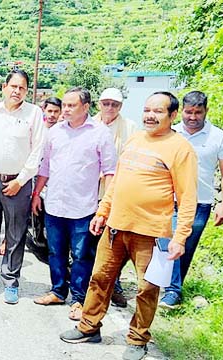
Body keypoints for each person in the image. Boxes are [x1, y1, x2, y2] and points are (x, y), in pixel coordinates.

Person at [60, 92, 197, 360]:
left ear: (172, 116)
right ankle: (89, 326)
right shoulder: (135, 139)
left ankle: (137, 338)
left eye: (158, 111)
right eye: (147, 109)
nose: (150, 115)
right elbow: (118, 181)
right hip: (115, 227)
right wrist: (102, 211)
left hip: (151, 233)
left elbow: (188, 196)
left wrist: (180, 237)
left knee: (147, 288)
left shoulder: (180, 149)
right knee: (100, 278)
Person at [32, 87, 117, 321]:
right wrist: (37, 193)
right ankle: (58, 291)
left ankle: (79, 299)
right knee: (54, 251)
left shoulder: (100, 133)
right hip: (55, 204)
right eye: (65, 105)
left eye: (71, 105)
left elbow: (110, 172)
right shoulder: (55, 132)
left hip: (84, 208)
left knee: (81, 255)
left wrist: (104, 207)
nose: (65, 110)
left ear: (86, 107)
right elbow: (45, 166)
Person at [0, 70, 45, 304]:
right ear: (4, 87)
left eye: (22, 88)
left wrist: (20, 180)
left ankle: (11, 280)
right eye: (13, 86)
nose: (17, 91)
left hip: (18, 183)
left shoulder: (34, 114)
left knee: (15, 233)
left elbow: (37, 150)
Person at [158, 91, 223, 309]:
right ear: (181, 111)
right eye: (188, 112)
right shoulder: (170, 132)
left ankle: (172, 290)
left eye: (197, 112)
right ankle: (171, 292)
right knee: (170, 244)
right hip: (168, 200)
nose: (192, 117)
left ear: (206, 111)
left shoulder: (219, 137)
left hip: (200, 204)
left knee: (186, 249)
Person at [94, 87, 139, 308]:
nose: (110, 108)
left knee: (115, 241)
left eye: (115, 104)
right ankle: (90, 284)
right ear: (99, 104)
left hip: (118, 191)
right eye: (106, 103)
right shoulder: (90, 124)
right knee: (89, 239)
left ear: (120, 107)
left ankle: (115, 285)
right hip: (90, 190)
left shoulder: (130, 128)